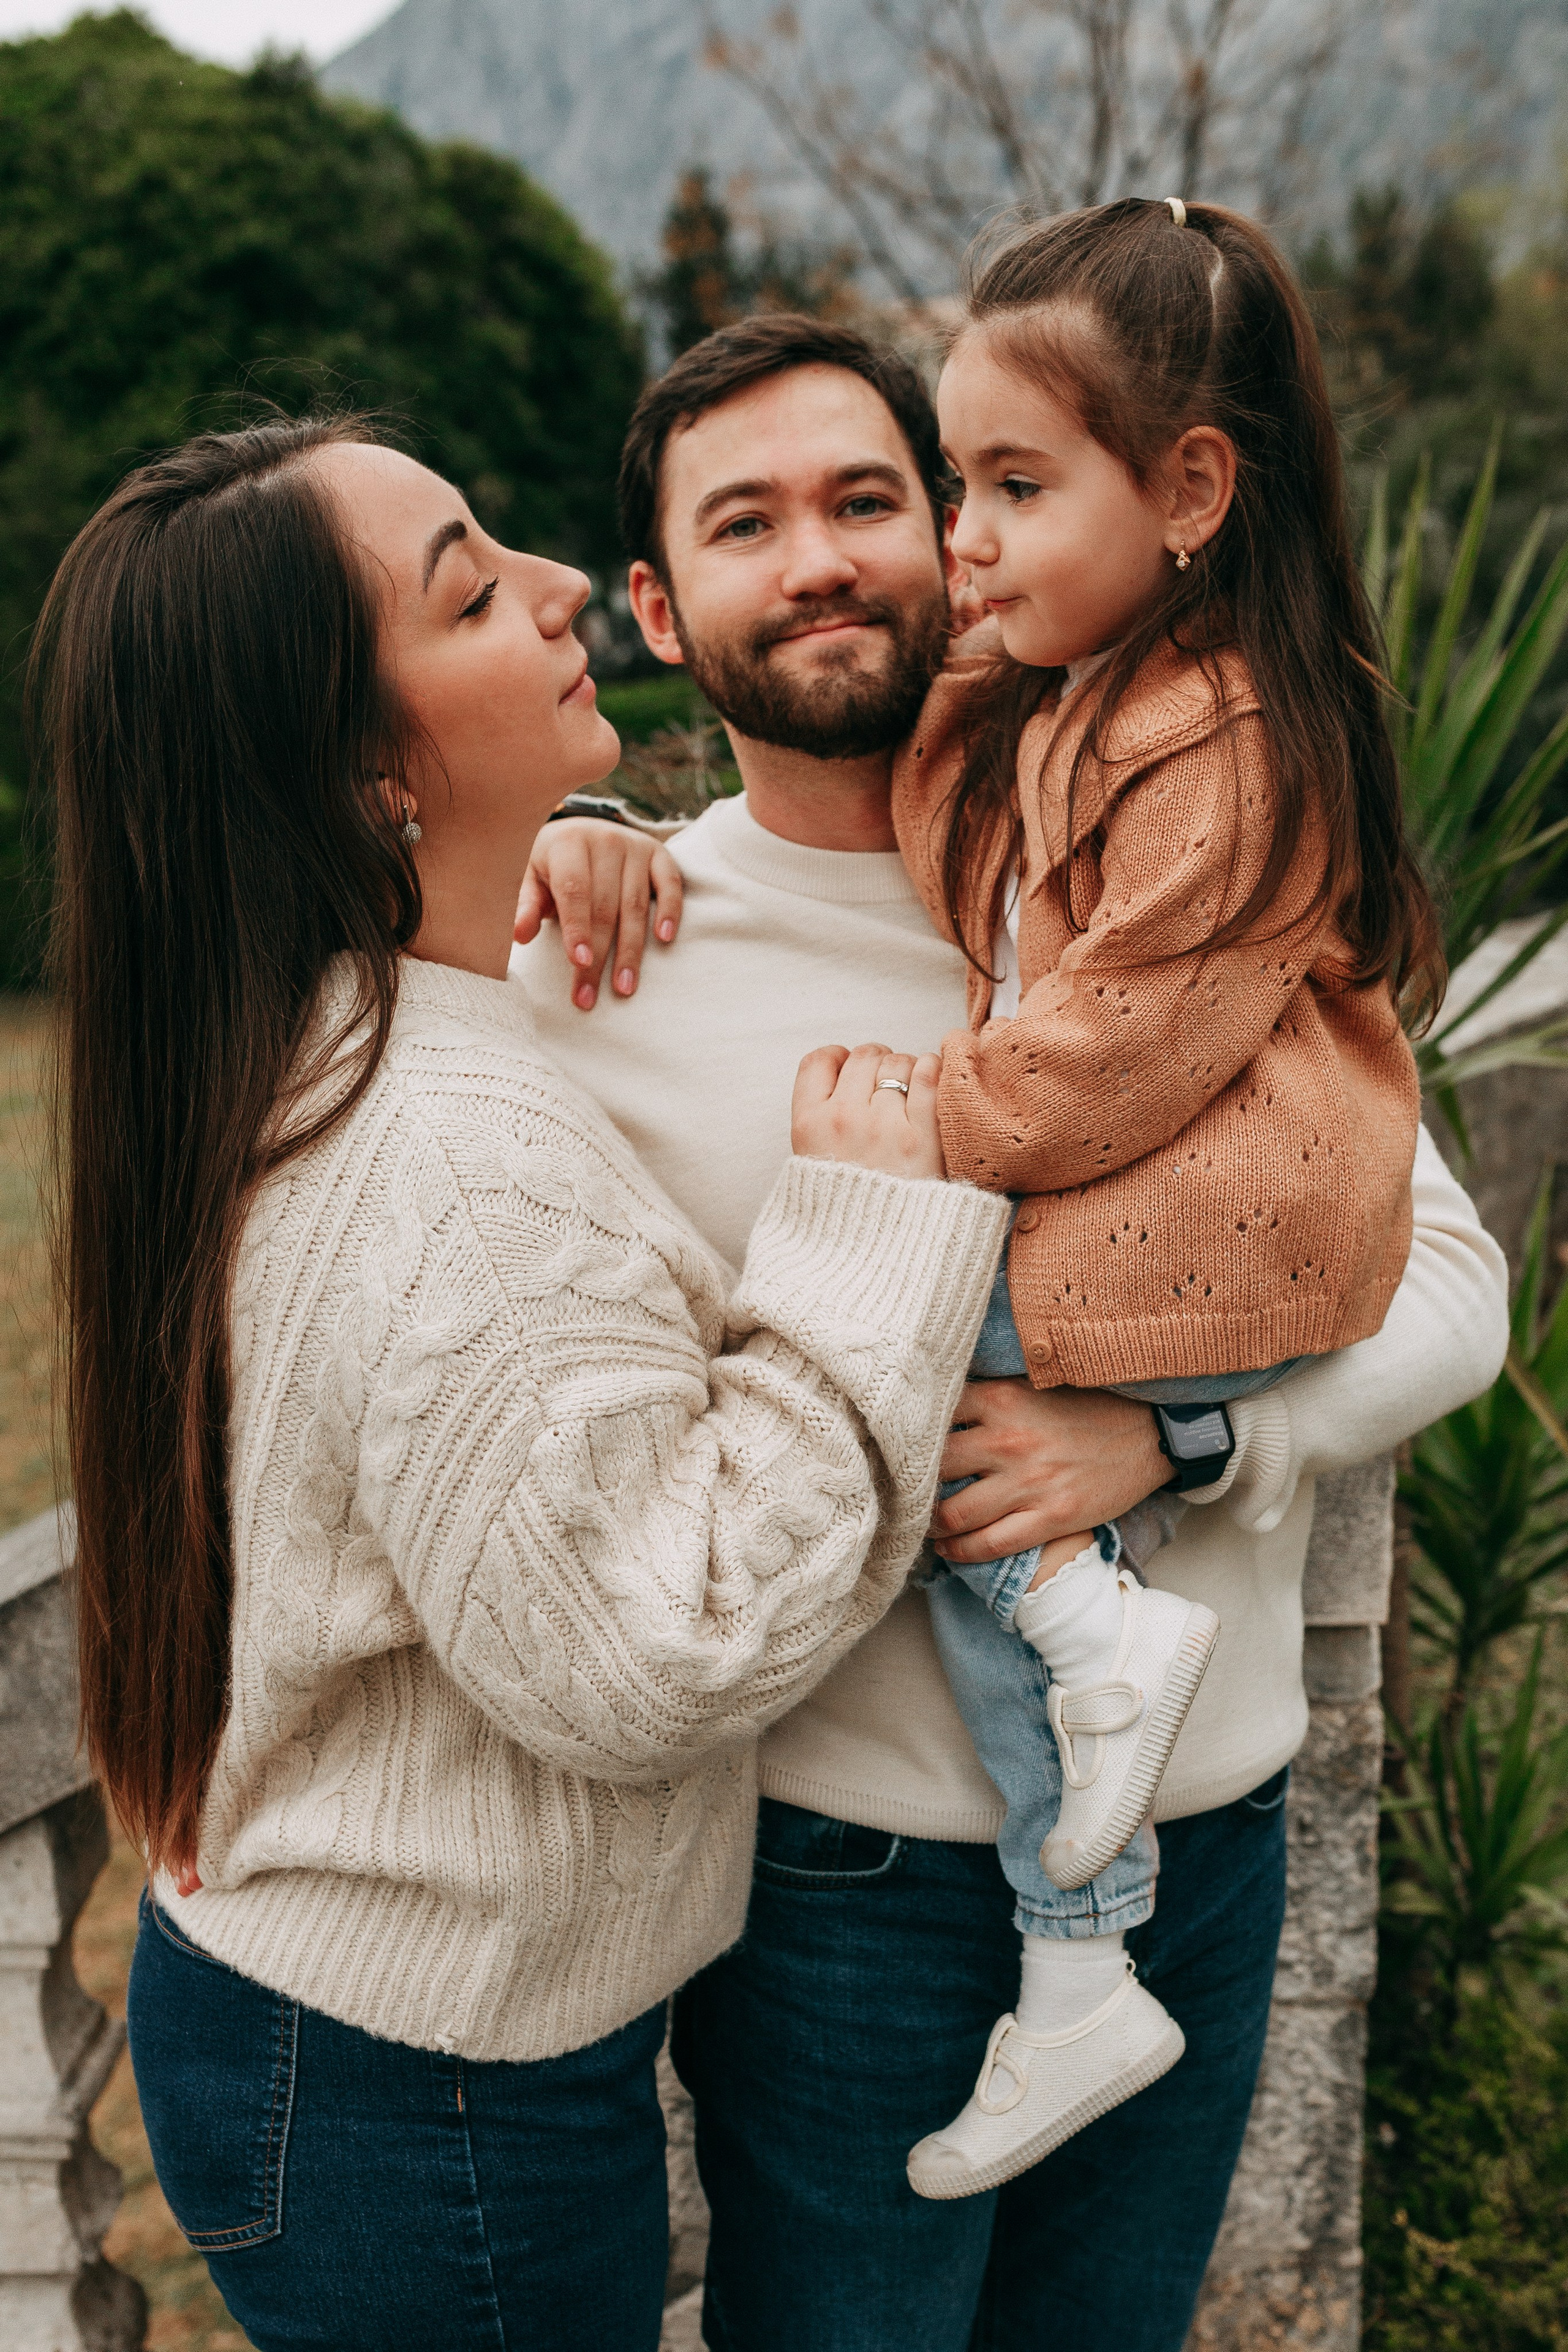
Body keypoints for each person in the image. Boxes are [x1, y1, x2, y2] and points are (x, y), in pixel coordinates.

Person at [516, 311, 1509, 2351]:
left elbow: (1453, 1281)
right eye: (748, 520)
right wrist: (551, 842)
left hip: (1211, 1830)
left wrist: (1183, 1444)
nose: (822, 559)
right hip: (843, 1896)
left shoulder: (1185, 872)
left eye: (870, 497)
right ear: (657, 603)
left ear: (961, 527)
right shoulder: (588, 971)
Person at [36, 415, 1009, 2352]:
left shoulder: (319, 1034)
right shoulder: (454, 1154)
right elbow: (660, 1644)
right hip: (426, 2099)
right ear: (375, 772)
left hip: (340, 2032)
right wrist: (862, 1242)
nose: (563, 586)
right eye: (475, 590)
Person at [873, 194, 1439, 2196]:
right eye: (959, 485)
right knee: (953, 1431)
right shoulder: (1095, 698)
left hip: (1236, 1221)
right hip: (1181, 1217)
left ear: (1192, 485)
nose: (968, 536)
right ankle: (1078, 1949)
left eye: (1016, 486)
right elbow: (946, 847)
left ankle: (1093, 1710)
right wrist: (966, 654)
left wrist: (919, 1116)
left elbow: (1116, 1051)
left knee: (914, 1352)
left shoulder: (1239, 734)